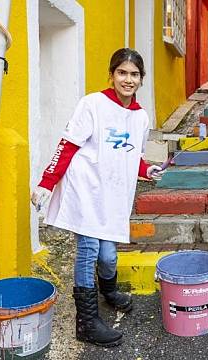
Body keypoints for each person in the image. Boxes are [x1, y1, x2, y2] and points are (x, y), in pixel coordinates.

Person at [30, 48, 165, 347]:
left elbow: (131, 154)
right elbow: (67, 145)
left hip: (112, 195)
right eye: (122, 73)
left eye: (134, 74)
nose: (127, 79)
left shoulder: (141, 117)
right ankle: (87, 323)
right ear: (112, 74)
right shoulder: (92, 104)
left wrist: (148, 169)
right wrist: (46, 183)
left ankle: (109, 291)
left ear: (141, 79)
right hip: (86, 190)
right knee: (89, 250)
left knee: (108, 256)